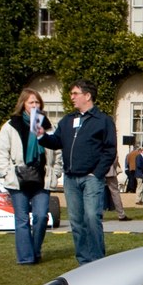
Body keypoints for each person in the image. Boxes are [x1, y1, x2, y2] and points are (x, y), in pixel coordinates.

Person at [36, 79, 116, 265]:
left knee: (91, 217)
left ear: (87, 96)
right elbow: (56, 142)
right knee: (76, 221)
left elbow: (110, 150)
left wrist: (97, 173)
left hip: (91, 178)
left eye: (75, 94)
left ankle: (97, 260)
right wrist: (41, 136)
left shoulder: (103, 121)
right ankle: (83, 260)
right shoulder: (68, 120)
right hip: (71, 178)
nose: (71, 97)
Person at [0, 89, 54, 265]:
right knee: (22, 220)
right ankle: (26, 258)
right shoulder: (11, 125)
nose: (34, 105)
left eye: (37, 102)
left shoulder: (46, 126)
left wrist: (55, 172)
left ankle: (35, 250)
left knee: (41, 216)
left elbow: (56, 152)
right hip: (18, 178)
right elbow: (0, 153)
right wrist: (6, 172)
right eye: (31, 102)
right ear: (23, 105)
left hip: (41, 177)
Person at [102, 154, 130, 222]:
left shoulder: (96, 144)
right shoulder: (110, 144)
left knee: (98, 194)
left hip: (99, 171)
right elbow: (115, 158)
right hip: (110, 171)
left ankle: (99, 215)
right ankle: (121, 215)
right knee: (115, 193)